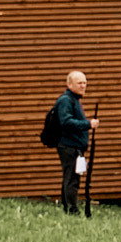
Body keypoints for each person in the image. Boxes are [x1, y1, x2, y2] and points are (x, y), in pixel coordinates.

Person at [50, 71, 91, 214]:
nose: (83, 86)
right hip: (69, 146)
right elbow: (66, 122)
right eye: (79, 83)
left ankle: (69, 207)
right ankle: (72, 209)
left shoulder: (74, 99)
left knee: (72, 177)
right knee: (71, 178)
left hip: (76, 146)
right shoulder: (66, 100)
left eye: (85, 83)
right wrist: (88, 124)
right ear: (69, 84)